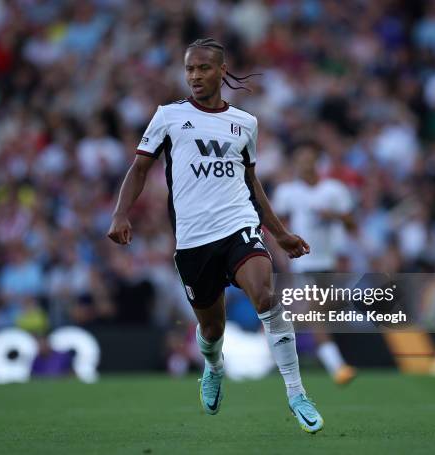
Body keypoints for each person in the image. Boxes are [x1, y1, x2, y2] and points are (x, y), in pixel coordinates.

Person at [107, 38, 323, 434]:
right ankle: (213, 364)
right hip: (193, 241)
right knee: (211, 330)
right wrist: (121, 213)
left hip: (239, 226)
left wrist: (280, 234)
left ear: (221, 71)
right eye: (189, 69)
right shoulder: (168, 117)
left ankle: (296, 392)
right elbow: (139, 170)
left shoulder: (244, 123)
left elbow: (252, 184)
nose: (194, 76)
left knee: (266, 298)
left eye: (203, 68)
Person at [273, 146, 357, 385]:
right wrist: (283, 256)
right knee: (315, 310)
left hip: (330, 261)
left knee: (324, 310)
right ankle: (337, 367)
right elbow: (277, 227)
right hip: (303, 262)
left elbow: (352, 223)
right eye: (299, 161)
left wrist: (336, 216)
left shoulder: (334, 190)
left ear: (317, 162)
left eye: (308, 160)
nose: (303, 166)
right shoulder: (287, 192)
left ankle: (283, 340)